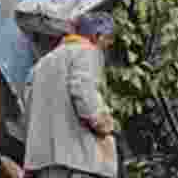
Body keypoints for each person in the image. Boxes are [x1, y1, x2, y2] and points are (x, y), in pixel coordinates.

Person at [23, 12, 120, 178]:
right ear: (97, 36)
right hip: (77, 164)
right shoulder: (87, 51)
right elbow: (83, 92)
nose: (107, 47)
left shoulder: (41, 64)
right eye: (107, 41)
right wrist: (104, 123)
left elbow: (28, 106)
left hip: (43, 165)